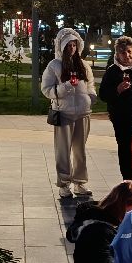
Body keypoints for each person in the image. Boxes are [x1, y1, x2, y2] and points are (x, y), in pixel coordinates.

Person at [41, 27, 96, 200]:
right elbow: (46, 89)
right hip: (63, 113)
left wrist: (90, 98)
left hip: (83, 113)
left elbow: (90, 85)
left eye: (74, 45)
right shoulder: (54, 65)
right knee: (63, 150)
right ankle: (64, 184)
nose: (72, 48)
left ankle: (80, 182)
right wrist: (64, 88)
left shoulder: (83, 65)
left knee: (80, 150)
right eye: (68, 45)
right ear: (62, 46)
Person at [99, 36, 132, 182]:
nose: (127, 55)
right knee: (124, 147)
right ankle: (128, 181)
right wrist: (117, 90)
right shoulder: (113, 71)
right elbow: (103, 94)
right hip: (121, 117)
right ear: (117, 55)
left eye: (129, 51)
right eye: (122, 53)